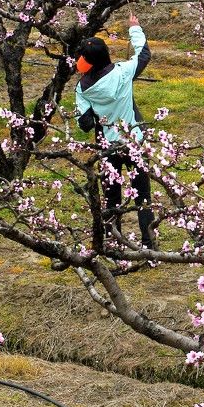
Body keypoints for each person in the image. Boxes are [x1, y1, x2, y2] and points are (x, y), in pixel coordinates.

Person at [74, 15, 157, 249]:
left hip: (108, 148)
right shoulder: (124, 72)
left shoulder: (83, 87)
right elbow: (143, 54)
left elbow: (84, 124)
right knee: (143, 195)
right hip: (134, 142)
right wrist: (135, 29)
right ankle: (148, 244)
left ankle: (114, 244)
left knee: (111, 197)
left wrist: (91, 114)